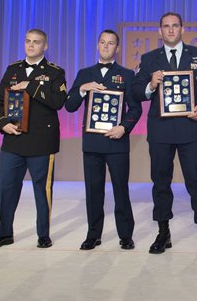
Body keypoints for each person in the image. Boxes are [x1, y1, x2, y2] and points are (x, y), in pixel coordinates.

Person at [131, 12, 197, 256]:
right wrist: (150, 84)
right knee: (160, 182)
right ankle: (163, 232)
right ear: (159, 31)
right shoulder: (149, 59)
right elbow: (136, 90)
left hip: (191, 128)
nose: (170, 30)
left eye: (175, 26)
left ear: (182, 29)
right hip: (160, 130)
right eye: (166, 26)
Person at [0, 29, 67, 249]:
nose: (31, 45)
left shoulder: (54, 72)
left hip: (41, 141)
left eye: (36, 42)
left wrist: (31, 86)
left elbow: (59, 101)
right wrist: (3, 123)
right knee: (7, 188)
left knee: (42, 190)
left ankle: (43, 234)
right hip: (13, 140)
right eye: (28, 41)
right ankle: (4, 232)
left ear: (45, 46)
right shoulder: (13, 69)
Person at [65, 29, 142, 250]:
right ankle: (93, 235)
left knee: (120, 189)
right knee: (93, 190)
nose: (106, 46)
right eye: (102, 42)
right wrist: (81, 89)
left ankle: (125, 235)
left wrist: (124, 127)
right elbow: (69, 106)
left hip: (117, 142)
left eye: (110, 43)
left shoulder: (127, 75)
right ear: (97, 45)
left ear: (117, 48)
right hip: (92, 143)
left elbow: (135, 109)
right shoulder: (84, 73)